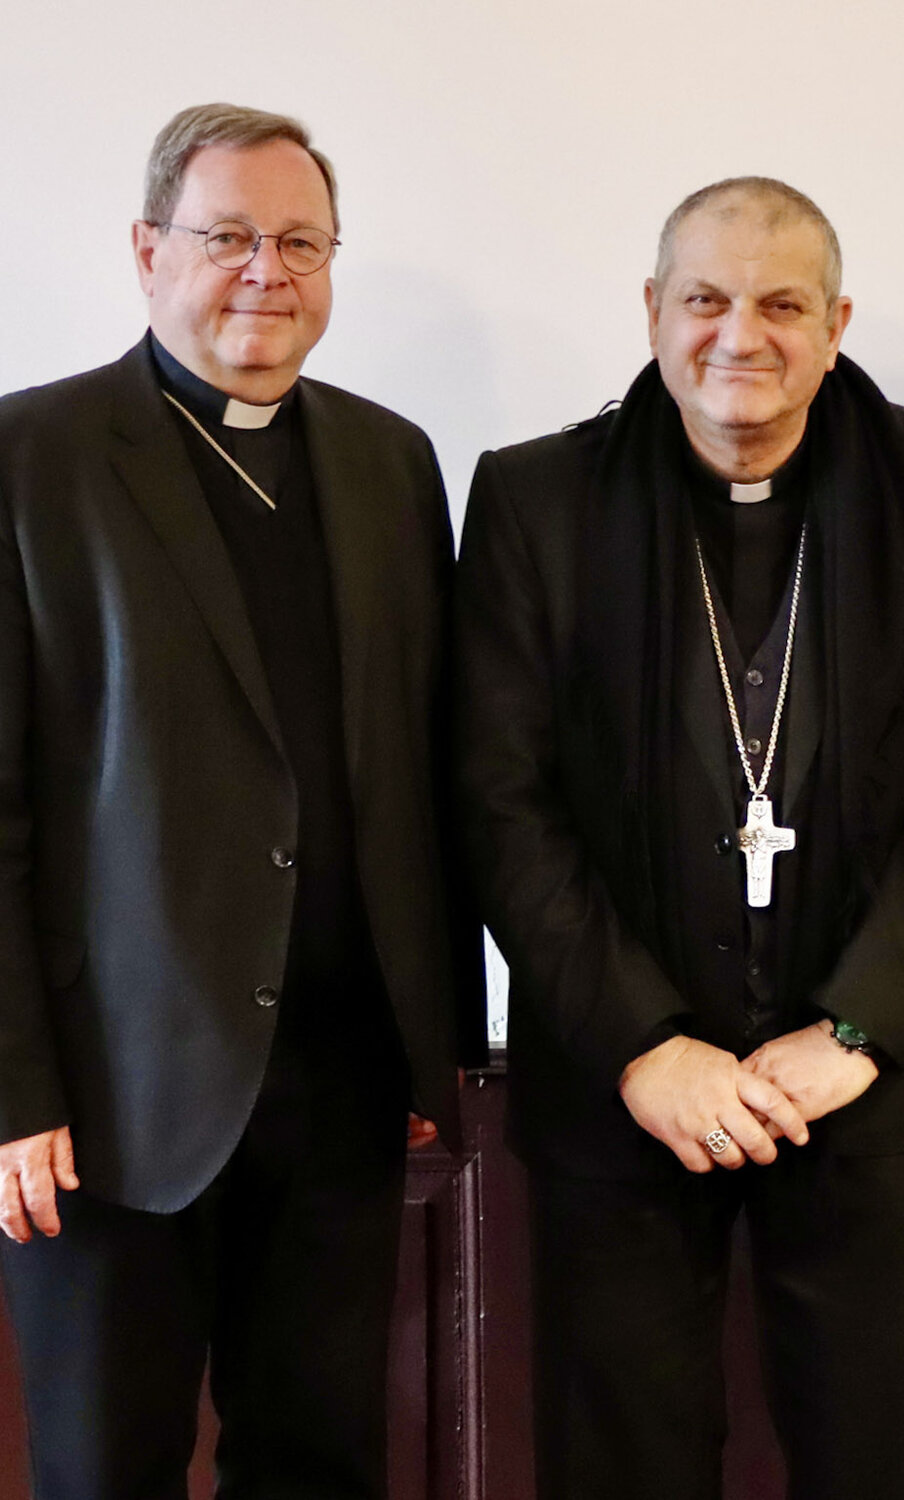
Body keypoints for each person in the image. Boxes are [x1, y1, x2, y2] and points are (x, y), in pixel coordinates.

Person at [456, 175, 904, 1498]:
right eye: (707, 298)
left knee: (885, 1458)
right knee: (621, 1457)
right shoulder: (535, 500)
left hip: (868, 1079)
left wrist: (854, 1029)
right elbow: (499, 798)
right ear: (652, 313)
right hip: (625, 1090)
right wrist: (641, 1043)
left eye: (782, 304)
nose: (742, 335)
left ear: (838, 324)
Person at [0, 102, 483, 1497]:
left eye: (300, 241)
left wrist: (425, 1043)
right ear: (149, 251)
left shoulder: (391, 463)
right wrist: (14, 1091)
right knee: (109, 1470)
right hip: (107, 1103)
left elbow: (420, 769)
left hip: (336, 1088)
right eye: (227, 238)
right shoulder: (32, 463)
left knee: (322, 1462)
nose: (266, 271)